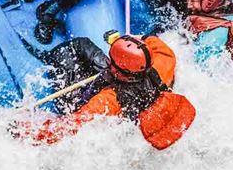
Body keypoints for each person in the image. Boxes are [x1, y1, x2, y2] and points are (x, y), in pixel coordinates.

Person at [12, 32, 196, 148]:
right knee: (86, 47)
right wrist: (125, 40)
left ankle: (50, 56)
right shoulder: (162, 66)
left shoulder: (108, 100)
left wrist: (22, 132)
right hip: (131, 98)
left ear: (116, 69)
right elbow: (151, 41)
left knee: (77, 46)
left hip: (83, 102)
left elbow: (68, 126)